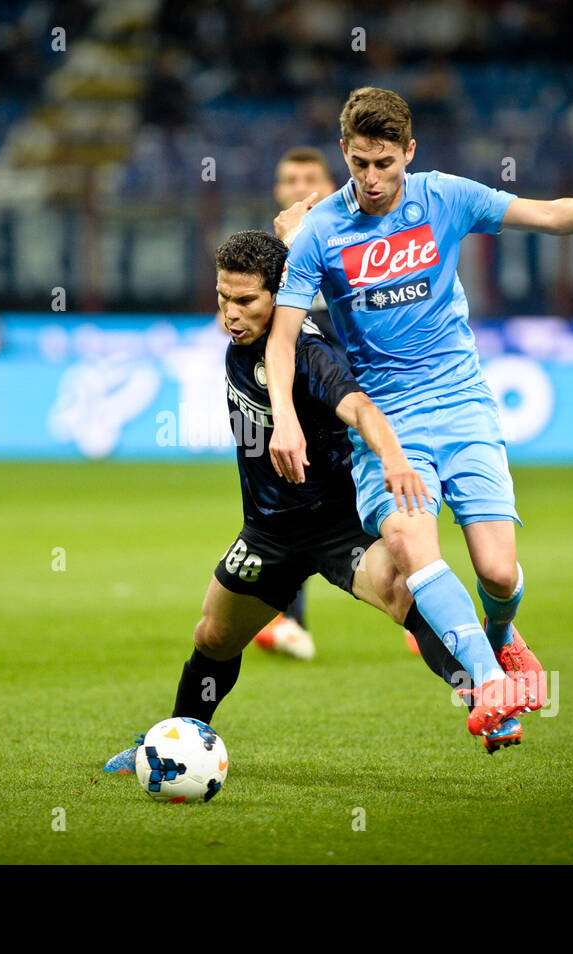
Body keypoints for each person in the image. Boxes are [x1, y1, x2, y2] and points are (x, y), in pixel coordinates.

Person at [265, 87, 573, 735]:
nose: (373, 178)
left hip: (462, 402)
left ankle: (502, 634)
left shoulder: (445, 197)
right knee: (412, 546)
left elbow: (550, 216)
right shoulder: (322, 229)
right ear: (345, 156)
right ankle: (490, 687)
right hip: (387, 420)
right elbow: (281, 333)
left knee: (497, 569)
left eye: (385, 163)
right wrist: (286, 417)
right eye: (359, 164)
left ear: (409, 152)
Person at [104, 230, 523, 776]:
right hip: (269, 532)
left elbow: (360, 408)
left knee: (404, 597)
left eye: (246, 301)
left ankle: (487, 701)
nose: (230, 314)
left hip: (338, 528)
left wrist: (394, 459)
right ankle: (172, 741)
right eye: (222, 298)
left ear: (278, 298)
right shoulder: (249, 342)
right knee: (213, 635)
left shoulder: (310, 352)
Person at [251, 147, 339, 660]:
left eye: (310, 177)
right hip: (293, 365)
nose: (299, 186)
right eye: (290, 179)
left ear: (331, 186)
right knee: (291, 482)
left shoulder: (355, 236)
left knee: (385, 481)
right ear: (278, 190)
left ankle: (423, 608)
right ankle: (289, 618)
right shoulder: (268, 251)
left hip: (350, 361)